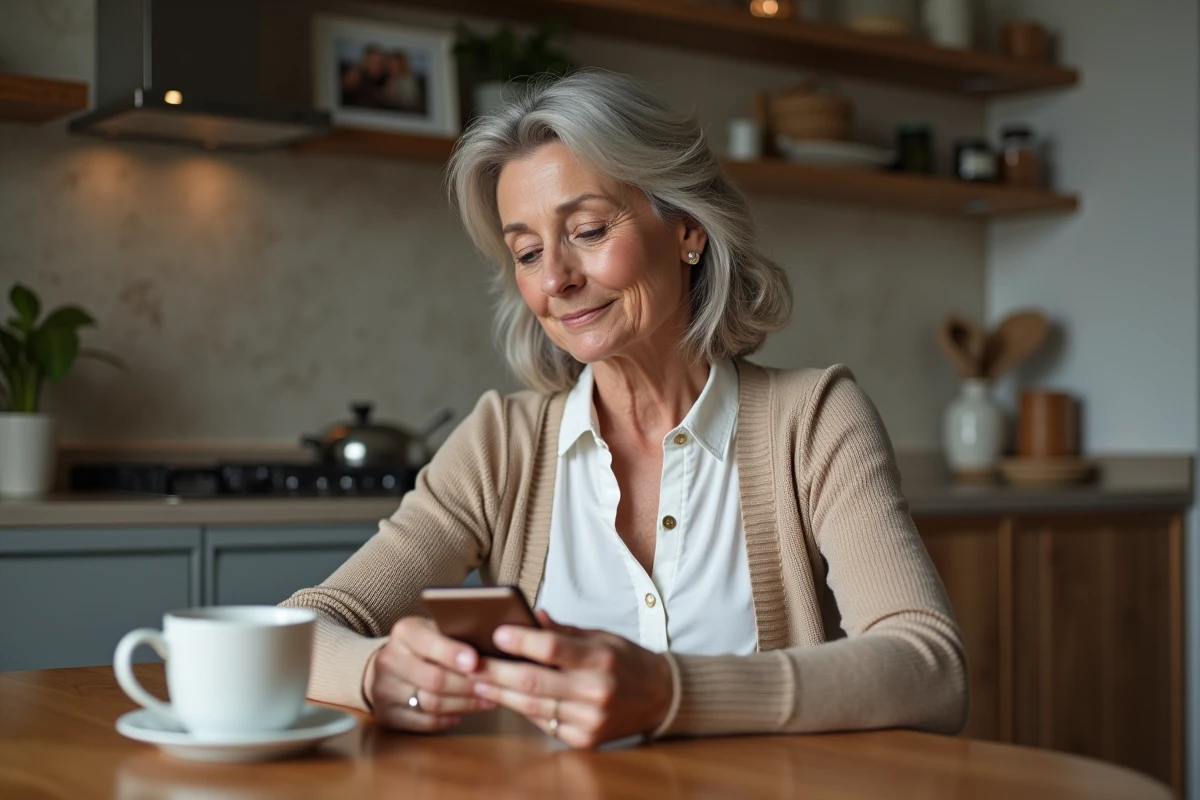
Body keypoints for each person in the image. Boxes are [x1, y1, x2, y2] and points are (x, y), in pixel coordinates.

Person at [282, 70, 968, 749]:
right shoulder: (502, 441)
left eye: (587, 230)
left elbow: (930, 669)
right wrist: (377, 673)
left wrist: (667, 692)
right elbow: (300, 629)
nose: (555, 279)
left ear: (688, 230)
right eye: (528, 252)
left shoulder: (814, 421)